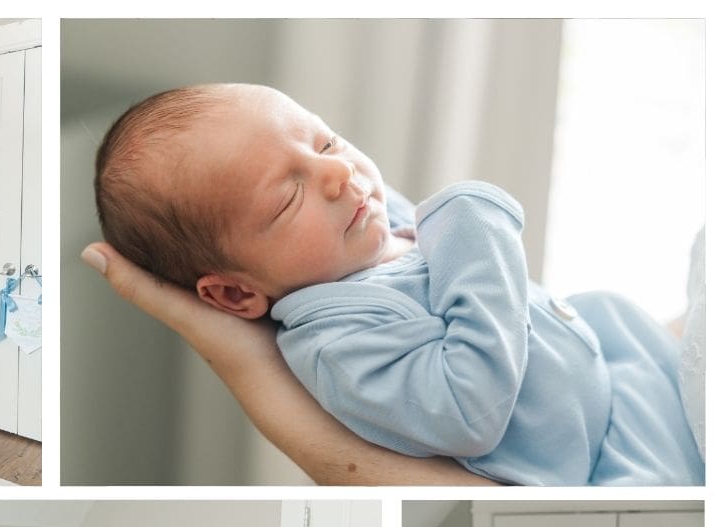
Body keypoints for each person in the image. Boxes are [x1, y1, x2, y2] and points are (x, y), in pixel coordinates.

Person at [90, 83, 704, 486]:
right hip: (595, 465)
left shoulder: (358, 231)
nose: (337, 173)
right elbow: (469, 410)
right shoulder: (336, 341)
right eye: (287, 195)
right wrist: (473, 228)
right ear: (233, 294)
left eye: (325, 140)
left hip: (617, 374)